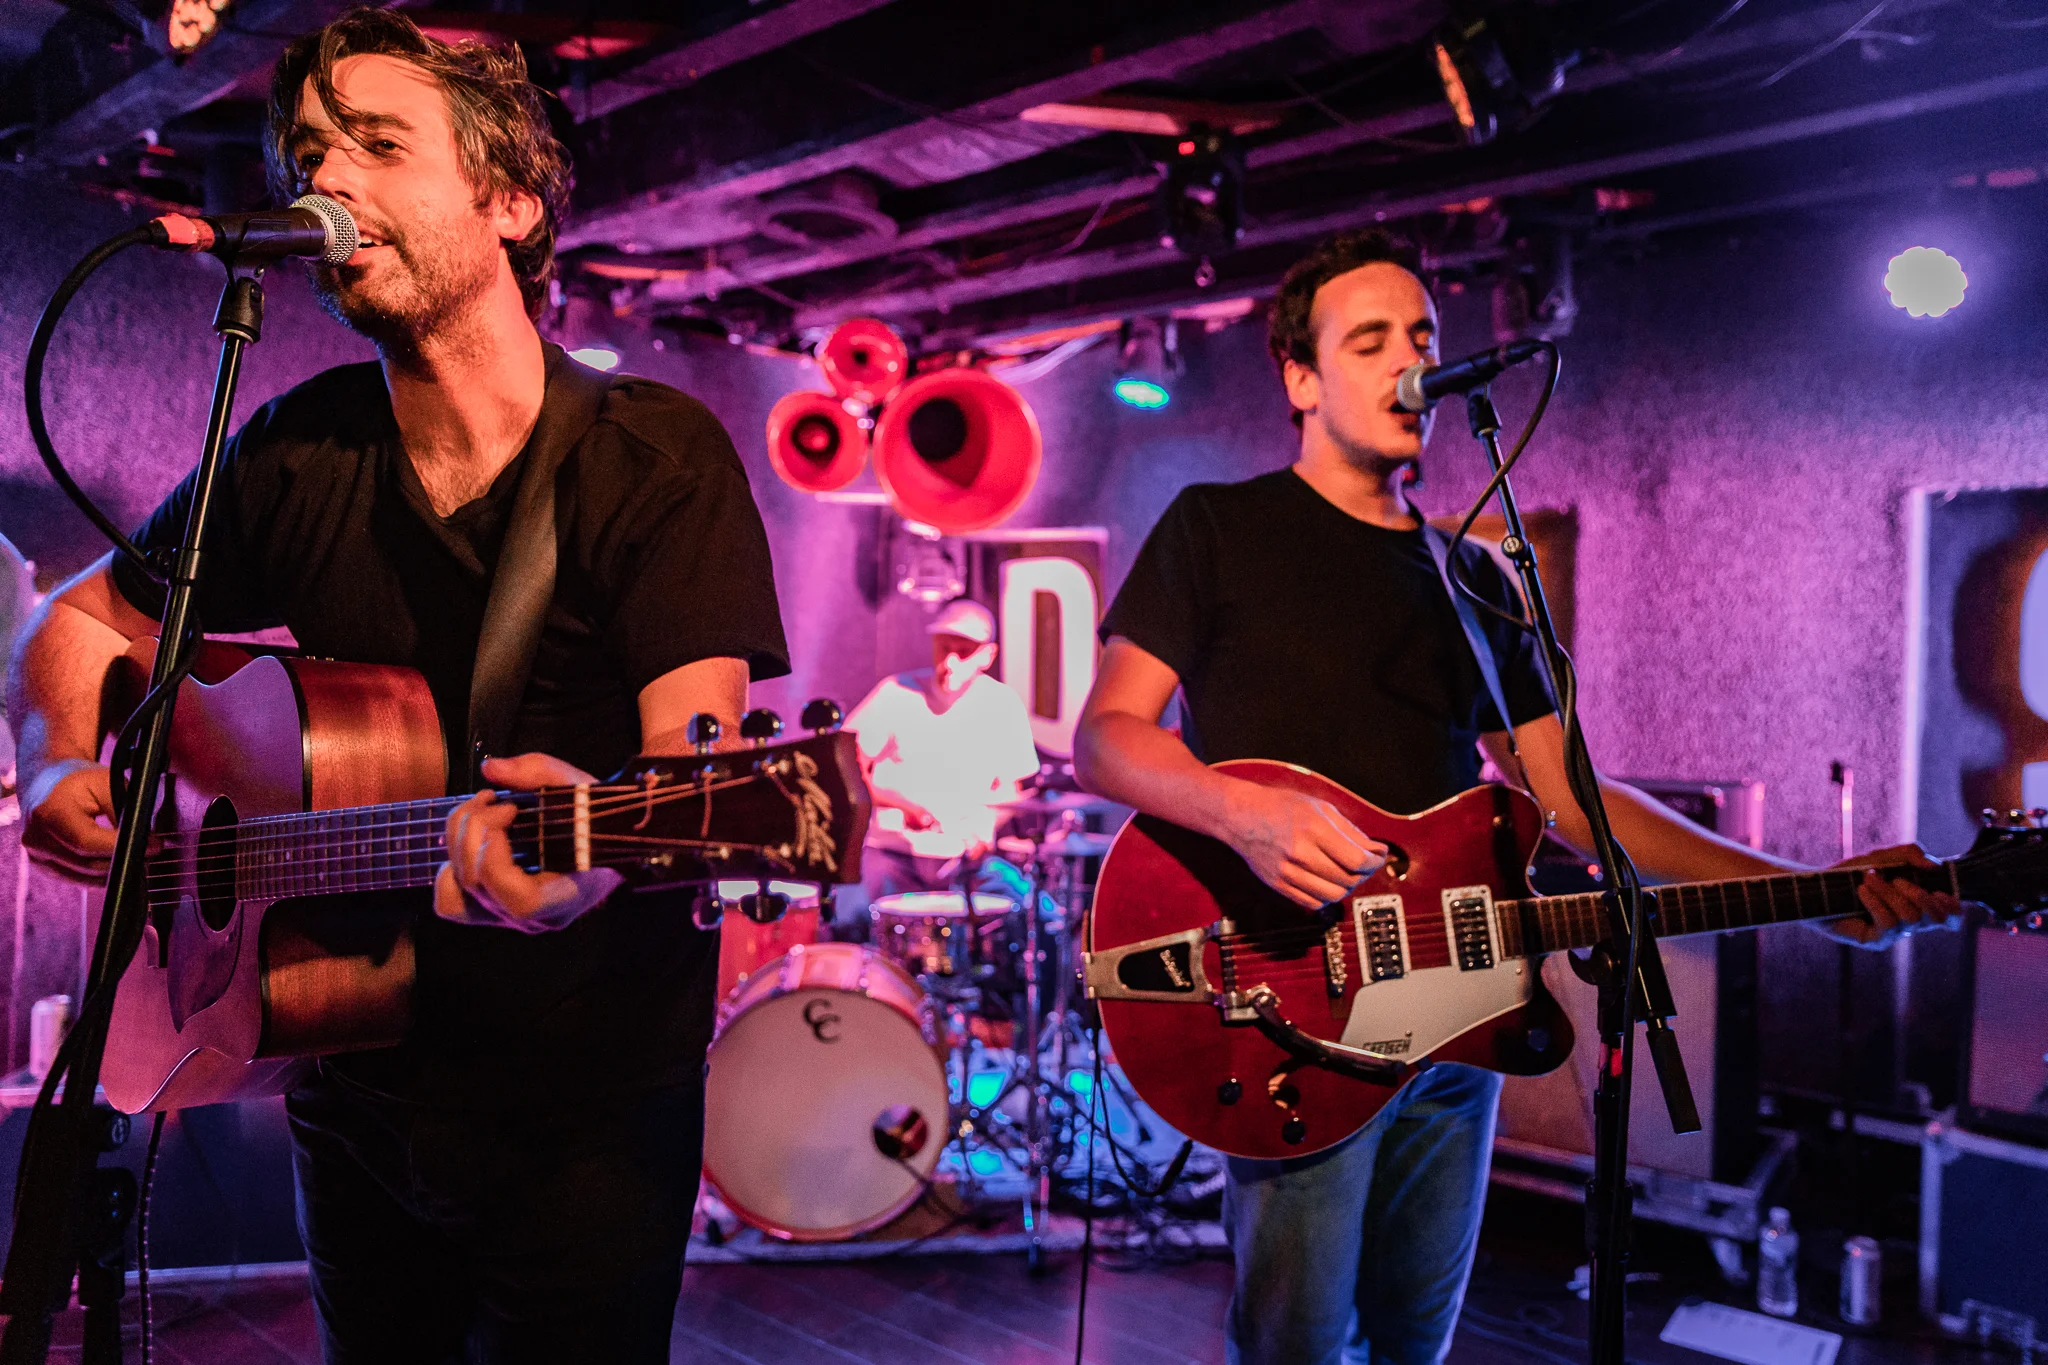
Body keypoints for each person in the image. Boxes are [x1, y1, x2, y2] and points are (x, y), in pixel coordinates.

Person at [7, 12, 787, 1363]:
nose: (330, 183)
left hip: (582, 1110)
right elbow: (76, 623)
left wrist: (592, 861)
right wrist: (53, 760)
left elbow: (692, 765)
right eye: (313, 151)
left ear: (510, 201)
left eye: (379, 145)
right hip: (348, 1083)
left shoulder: (650, 459)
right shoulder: (295, 455)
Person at [1071, 228, 1959, 1365]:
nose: (1408, 364)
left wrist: (1807, 891)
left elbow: (1572, 801)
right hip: (1291, 1003)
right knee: (1293, 1348)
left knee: (1413, 1343)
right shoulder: (1216, 528)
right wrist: (1241, 812)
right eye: (1369, 340)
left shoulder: (1474, 576)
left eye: (1423, 339)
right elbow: (1107, 739)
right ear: (1299, 378)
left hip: (1457, 1015)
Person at [845, 597, 1042, 914]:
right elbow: (845, 765)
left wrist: (982, 832)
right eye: (943, 648)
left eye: (963, 652)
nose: (949, 662)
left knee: (1033, 912)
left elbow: (1010, 790)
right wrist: (901, 804)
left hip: (965, 860)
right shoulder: (895, 693)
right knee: (872, 925)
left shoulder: (1002, 703)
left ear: (987, 656)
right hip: (894, 856)